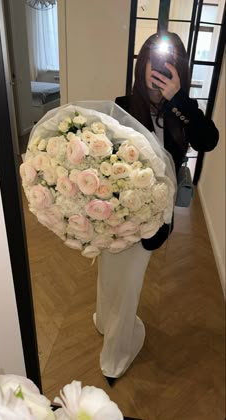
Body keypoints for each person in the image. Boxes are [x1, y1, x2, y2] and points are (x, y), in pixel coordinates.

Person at [94, 32, 219, 385]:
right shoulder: (122, 104)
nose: (160, 67)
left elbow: (208, 140)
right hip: (115, 215)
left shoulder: (182, 110)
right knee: (107, 272)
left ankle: (115, 358)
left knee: (130, 284)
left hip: (151, 221)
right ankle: (104, 320)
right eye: (154, 59)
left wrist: (177, 98)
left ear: (178, 68)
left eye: (170, 61)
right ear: (142, 65)